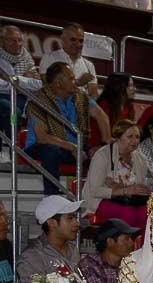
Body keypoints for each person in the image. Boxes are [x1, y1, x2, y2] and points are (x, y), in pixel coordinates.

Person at [25, 62, 110, 195]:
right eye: (71, 78)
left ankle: (96, 198)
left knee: (104, 155)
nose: (75, 81)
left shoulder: (79, 96)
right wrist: (72, 147)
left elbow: (101, 116)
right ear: (59, 82)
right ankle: (52, 197)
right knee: (51, 151)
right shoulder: (38, 99)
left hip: (75, 148)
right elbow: (42, 138)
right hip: (42, 146)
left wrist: (104, 143)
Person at [0, 24, 41, 161]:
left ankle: (7, 151)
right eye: (13, 40)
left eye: (20, 40)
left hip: (19, 97)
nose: (18, 44)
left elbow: (38, 84)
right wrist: (25, 81)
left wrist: (14, 79)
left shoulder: (26, 57)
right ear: (2, 40)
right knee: (8, 110)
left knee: (13, 112)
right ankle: (3, 150)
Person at [83, 119, 151, 229]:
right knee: (128, 214)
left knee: (148, 213)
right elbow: (95, 191)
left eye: (137, 137)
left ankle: (141, 245)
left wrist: (120, 188)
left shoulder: (140, 159)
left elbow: (138, 189)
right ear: (118, 138)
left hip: (128, 202)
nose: (135, 141)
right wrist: (125, 190)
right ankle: (125, 245)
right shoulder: (102, 155)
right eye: (130, 137)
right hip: (100, 201)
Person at [39, 23, 99, 98]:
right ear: (62, 39)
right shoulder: (49, 58)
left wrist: (88, 106)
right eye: (73, 40)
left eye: (81, 41)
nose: (77, 44)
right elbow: (46, 86)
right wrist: (77, 82)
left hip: (82, 106)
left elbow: (93, 92)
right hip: (54, 106)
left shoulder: (89, 65)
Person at [92, 73, 135, 148]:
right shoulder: (104, 104)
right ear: (118, 87)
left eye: (133, 85)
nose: (134, 89)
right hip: (99, 146)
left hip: (119, 144)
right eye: (130, 86)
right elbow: (102, 137)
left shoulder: (129, 106)